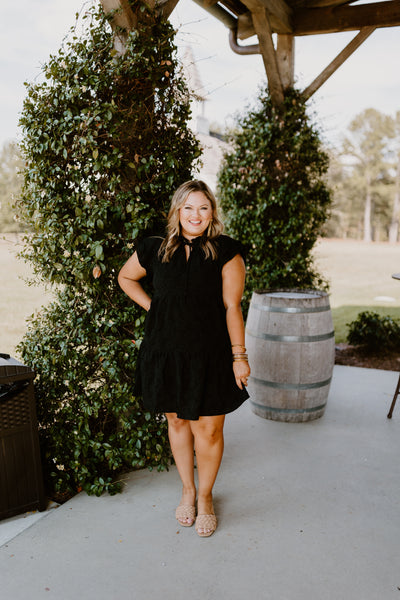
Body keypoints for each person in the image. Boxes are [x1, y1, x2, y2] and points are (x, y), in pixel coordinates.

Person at [118, 180, 250, 537]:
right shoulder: (154, 248)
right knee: (176, 422)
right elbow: (126, 277)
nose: (196, 215)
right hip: (165, 351)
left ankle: (205, 497)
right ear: (177, 210)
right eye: (188, 207)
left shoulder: (226, 251)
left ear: (212, 213)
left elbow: (232, 307)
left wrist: (240, 356)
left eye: (203, 208)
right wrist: (155, 308)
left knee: (208, 428)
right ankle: (187, 490)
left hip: (211, 354)